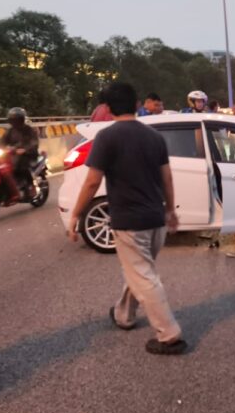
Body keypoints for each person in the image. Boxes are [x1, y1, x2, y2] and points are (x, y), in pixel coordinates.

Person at [66, 82, 186, 356]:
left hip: (130, 221)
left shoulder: (107, 137)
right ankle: (124, 315)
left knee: (144, 276)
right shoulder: (154, 137)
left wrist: (76, 214)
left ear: (108, 109)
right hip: (156, 218)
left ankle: (169, 335)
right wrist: (170, 211)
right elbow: (167, 177)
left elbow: (92, 182)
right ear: (137, 104)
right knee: (140, 271)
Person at [0, 107, 39, 203]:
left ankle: (31, 186)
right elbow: (1, 142)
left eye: (17, 119)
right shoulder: (10, 131)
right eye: (13, 119)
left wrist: (25, 149)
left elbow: (34, 142)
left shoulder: (29, 130)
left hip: (29, 154)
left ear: (22, 119)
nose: (15, 121)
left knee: (22, 166)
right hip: (13, 154)